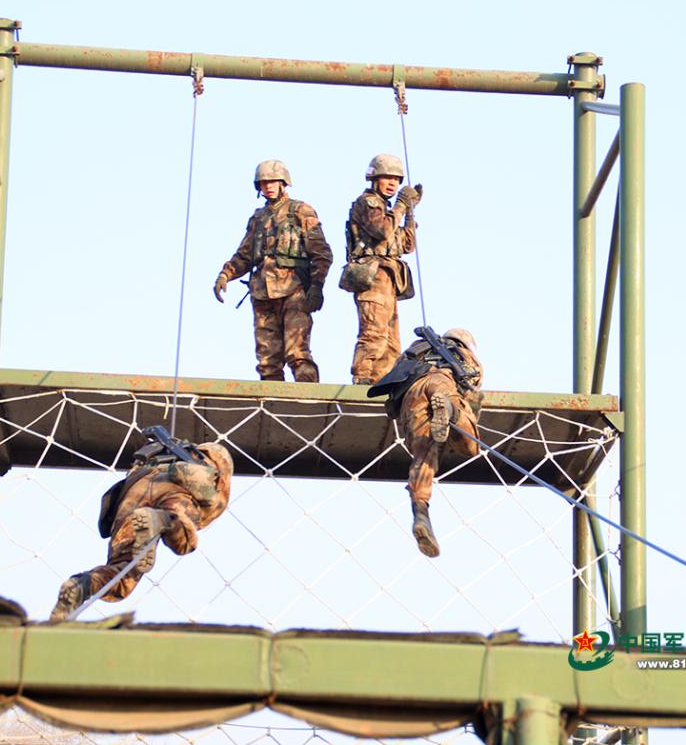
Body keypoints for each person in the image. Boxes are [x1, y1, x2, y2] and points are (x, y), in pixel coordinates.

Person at [49, 437, 233, 620]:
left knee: (123, 570)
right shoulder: (212, 458)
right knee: (184, 542)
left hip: (134, 489)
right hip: (175, 487)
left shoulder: (165, 450)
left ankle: (81, 585)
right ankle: (161, 520)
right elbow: (214, 494)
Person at [368, 328, 483, 557]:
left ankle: (421, 511)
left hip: (411, 392)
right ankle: (451, 411)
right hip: (442, 382)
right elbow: (473, 386)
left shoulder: (415, 350)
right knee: (471, 446)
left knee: (424, 452)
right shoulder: (461, 354)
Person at [214, 160, 332, 382]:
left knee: (298, 353)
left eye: (273, 182)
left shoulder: (300, 210)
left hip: (293, 289)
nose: (268, 187)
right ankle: (272, 406)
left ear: (283, 182)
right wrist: (225, 275)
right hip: (262, 292)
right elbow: (245, 255)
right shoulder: (258, 218)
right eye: (264, 183)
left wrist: (317, 286)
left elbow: (322, 253)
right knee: (267, 359)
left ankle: (308, 403)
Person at [341, 154, 422, 384]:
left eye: (396, 180)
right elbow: (382, 230)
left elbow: (407, 245)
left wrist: (409, 213)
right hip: (372, 276)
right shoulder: (368, 203)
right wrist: (400, 206)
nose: (392, 184)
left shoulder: (389, 211)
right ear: (374, 178)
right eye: (386, 178)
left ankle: (383, 382)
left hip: (390, 279)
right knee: (374, 334)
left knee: (391, 343)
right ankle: (363, 378)